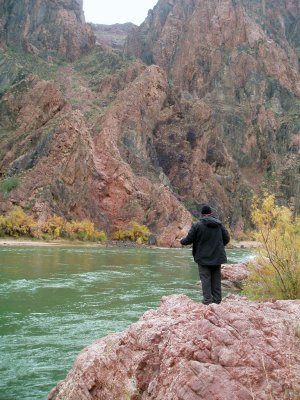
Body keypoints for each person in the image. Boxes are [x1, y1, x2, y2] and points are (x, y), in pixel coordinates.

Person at [180, 205, 230, 305]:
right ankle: (217, 301)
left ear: (202, 214)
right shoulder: (219, 224)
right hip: (217, 256)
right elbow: (227, 238)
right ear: (211, 213)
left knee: (205, 279)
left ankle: (207, 301)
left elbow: (189, 240)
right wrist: (219, 246)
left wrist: (181, 241)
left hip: (203, 257)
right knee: (216, 279)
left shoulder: (197, 225)